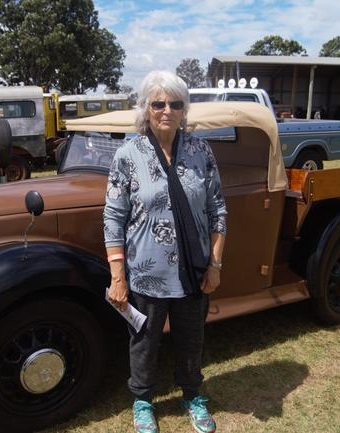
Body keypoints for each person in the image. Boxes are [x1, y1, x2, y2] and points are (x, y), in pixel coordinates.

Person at [104, 70, 227, 433]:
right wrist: (117, 275)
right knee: (144, 342)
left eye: (175, 104)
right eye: (158, 103)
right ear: (145, 108)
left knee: (192, 339)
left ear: (184, 109)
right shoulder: (129, 153)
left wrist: (215, 263)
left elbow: (218, 208)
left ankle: (192, 394)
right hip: (145, 272)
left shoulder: (200, 150)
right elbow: (113, 216)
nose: (166, 111)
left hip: (194, 269)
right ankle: (142, 401)